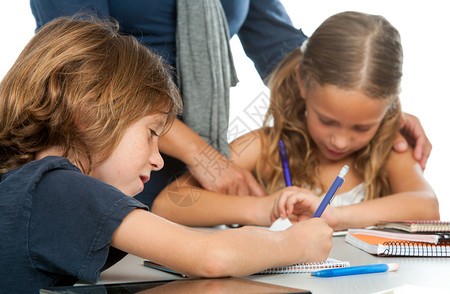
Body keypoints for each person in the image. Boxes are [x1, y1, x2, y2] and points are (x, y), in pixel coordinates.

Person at [0, 17, 333, 294]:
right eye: (150, 133)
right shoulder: (55, 188)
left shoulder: (27, 186)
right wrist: (295, 244)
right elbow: (211, 257)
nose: (158, 160)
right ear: (89, 114)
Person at [29, 0, 432, 209]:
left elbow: (284, 51)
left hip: (189, 174)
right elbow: (81, 66)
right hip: (104, 154)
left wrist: (373, 109)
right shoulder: (254, 148)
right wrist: (200, 154)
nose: (343, 140)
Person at [152, 11, 440, 229]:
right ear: (302, 84)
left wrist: (335, 217)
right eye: (327, 120)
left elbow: (427, 207)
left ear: (388, 108)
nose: (339, 140)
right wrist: (264, 209)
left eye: (362, 127)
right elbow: (169, 204)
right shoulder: (266, 145)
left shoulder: (390, 148)